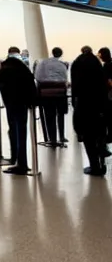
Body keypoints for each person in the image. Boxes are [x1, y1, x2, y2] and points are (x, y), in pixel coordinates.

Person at [0, 46, 37, 175]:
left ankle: (18, 161)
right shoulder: (23, 66)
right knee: (21, 130)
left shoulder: (5, 66)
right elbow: (31, 83)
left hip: (12, 104)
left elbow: (2, 85)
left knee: (14, 130)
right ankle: (21, 161)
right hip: (23, 103)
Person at [71, 47, 108, 176]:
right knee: (100, 135)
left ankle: (94, 166)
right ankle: (102, 163)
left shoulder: (78, 64)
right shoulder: (97, 65)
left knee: (88, 138)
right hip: (99, 106)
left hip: (84, 106)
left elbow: (75, 88)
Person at [35, 47, 69, 147]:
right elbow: (65, 78)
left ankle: (52, 138)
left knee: (49, 116)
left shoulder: (43, 63)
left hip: (46, 94)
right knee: (61, 115)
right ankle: (62, 136)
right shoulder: (62, 65)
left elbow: (38, 77)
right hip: (60, 93)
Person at [97, 47, 112, 148]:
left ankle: (109, 136)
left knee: (108, 116)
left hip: (109, 94)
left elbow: (109, 81)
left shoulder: (107, 66)